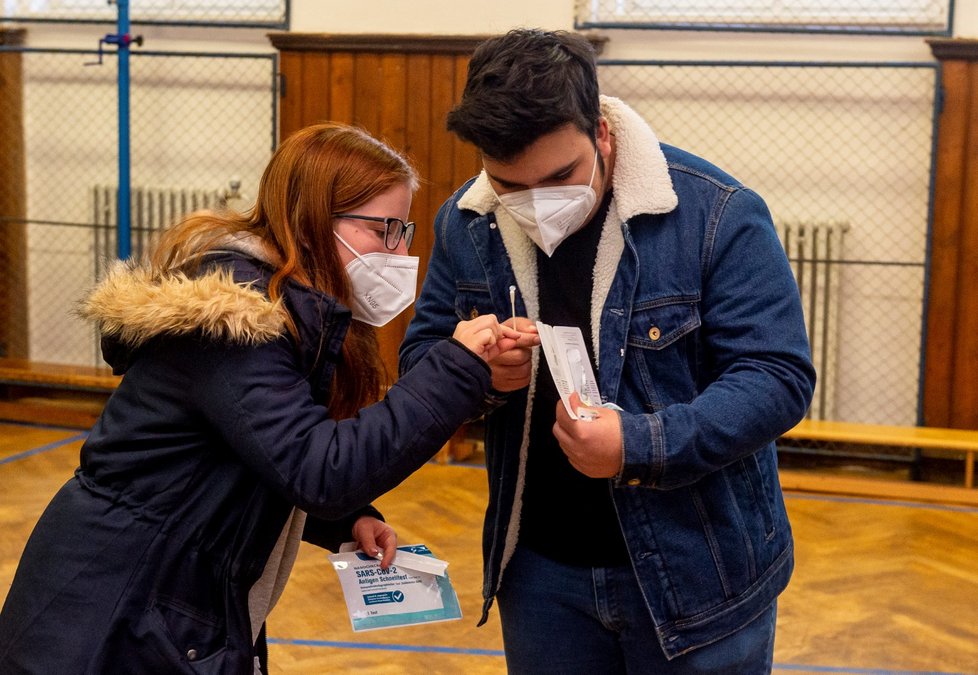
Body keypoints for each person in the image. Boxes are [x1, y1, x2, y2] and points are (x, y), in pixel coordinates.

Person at [0, 122, 525, 674]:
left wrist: (343, 521)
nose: (398, 250)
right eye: (385, 229)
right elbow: (319, 469)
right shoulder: (236, 318)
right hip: (110, 611)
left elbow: (267, 450)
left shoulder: (284, 311)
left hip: (167, 599)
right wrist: (456, 367)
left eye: (405, 230)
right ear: (314, 220)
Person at [400, 29, 817, 673]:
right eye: (509, 183)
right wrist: (479, 374)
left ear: (600, 130)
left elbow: (777, 377)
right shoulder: (467, 219)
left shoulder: (716, 213)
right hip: (541, 576)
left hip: (697, 574)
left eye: (561, 175)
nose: (536, 202)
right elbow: (422, 355)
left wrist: (640, 445)